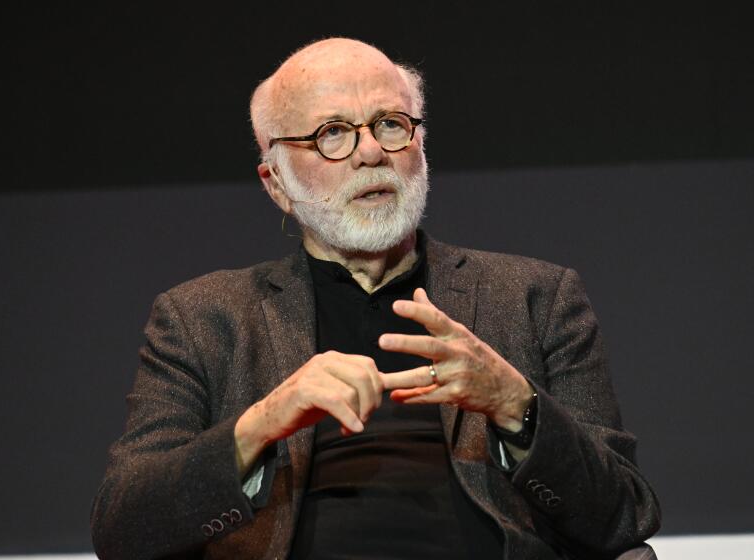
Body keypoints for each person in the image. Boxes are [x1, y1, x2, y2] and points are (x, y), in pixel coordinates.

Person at [90, 38, 661, 559]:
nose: (370, 153)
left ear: (420, 145)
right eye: (331, 133)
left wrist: (517, 406)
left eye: (390, 123)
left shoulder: (536, 296)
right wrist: (261, 424)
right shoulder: (202, 319)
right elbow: (124, 528)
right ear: (276, 183)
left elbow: (623, 516)